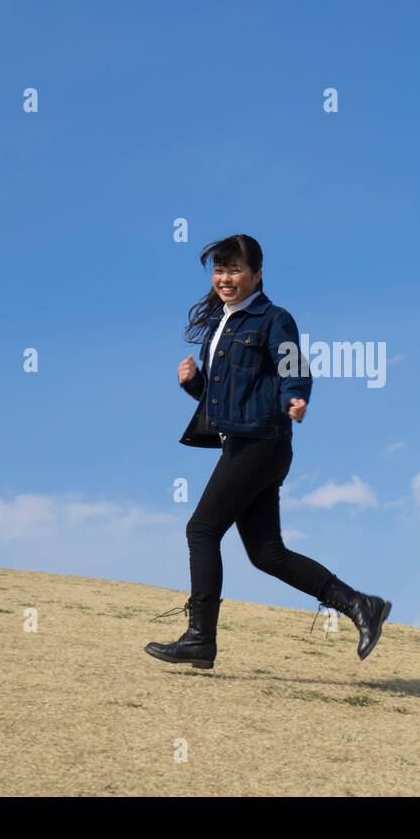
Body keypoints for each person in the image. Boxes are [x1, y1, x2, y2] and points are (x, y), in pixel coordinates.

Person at [145, 234, 391, 670]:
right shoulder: (222, 325)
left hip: (262, 441)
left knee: (201, 530)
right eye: (220, 270)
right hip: (247, 441)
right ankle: (360, 605)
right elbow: (227, 399)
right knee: (266, 554)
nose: (226, 278)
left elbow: (292, 363)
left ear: (257, 275)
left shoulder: (273, 318)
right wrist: (194, 385)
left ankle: (200, 637)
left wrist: (295, 396)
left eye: (235, 269)